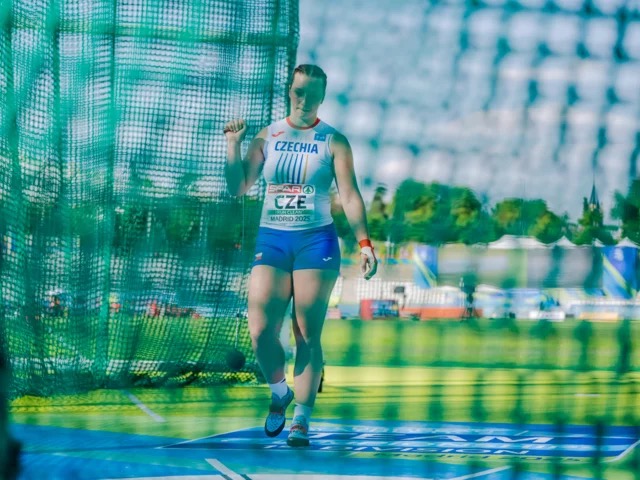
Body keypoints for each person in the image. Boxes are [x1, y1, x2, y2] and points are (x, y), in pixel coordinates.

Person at [223, 64, 377, 447]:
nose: (303, 99)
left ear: (322, 97)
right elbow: (237, 186)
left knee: (306, 332)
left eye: (312, 93)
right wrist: (233, 145)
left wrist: (365, 243)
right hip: (273, 240)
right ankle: (280, 392)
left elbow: (350, 195)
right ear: (289, 91)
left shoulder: (334, 140)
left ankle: (302, 419)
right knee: (260, 331)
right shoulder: (268, 135)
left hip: (315, 243)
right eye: (298, 91)